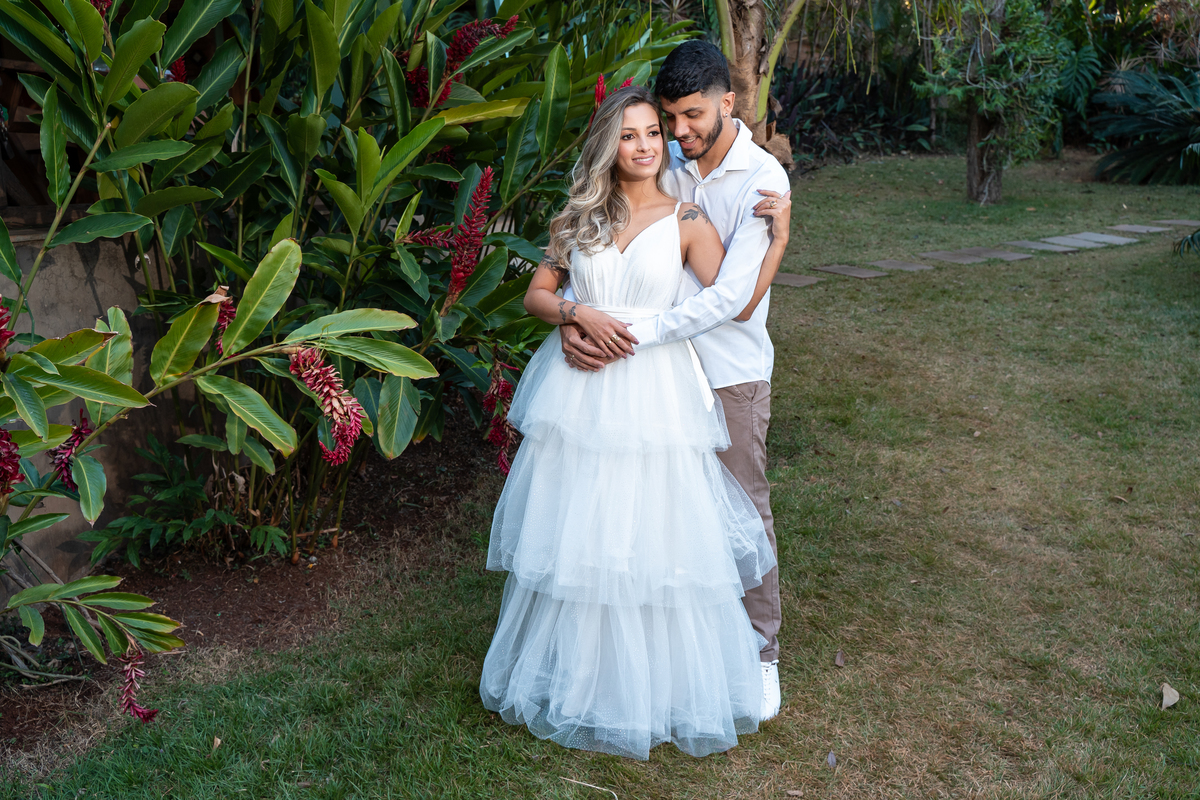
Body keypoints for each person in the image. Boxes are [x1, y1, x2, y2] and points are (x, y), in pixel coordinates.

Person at [478, 85, 783, 760]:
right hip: (581, 389)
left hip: (654, 391)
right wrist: (574, 315)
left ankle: (658, 684)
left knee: (652, 536)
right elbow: (537, 292)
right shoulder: (579, 215)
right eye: (630, 135)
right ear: (609, 145)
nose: (645, 146)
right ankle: (582, 677)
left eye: (654, 134)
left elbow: (734, 304)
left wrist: (780, 237)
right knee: (582, 533)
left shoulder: (688, 219)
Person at [560, 40, 793, 720]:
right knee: (667, 519)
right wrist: (577, 320)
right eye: (670, 119)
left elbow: (735, 300)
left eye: (692, 116)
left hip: (726, 371)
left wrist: (629, 332)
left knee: (743, 510)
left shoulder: (761, 181)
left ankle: (761, 653)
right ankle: (670, 651)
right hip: (656, 380)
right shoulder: (672, 165)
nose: (679, 132)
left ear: (729, 102)